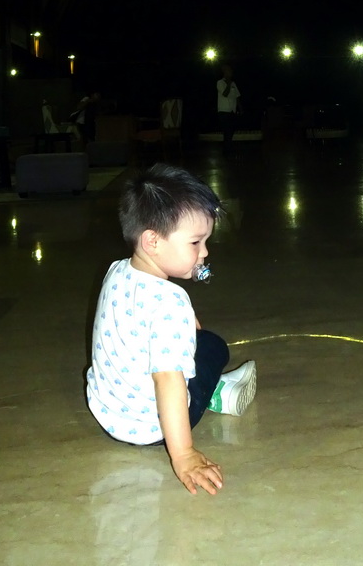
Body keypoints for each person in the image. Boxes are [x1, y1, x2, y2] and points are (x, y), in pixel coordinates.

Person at [85, 163, 257, 496]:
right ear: (153, 242)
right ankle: (218, 393)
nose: (204, 252)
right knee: (213, 347)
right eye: (195, 242)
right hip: (152, 428)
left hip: (109, 413)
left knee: (194, 340)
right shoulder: (170, 302)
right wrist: (184, 455)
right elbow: (167, 379)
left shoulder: (117, 270)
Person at [216, 64, 241, 156]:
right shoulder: (220, 83)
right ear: (224, 72)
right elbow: (225, 93)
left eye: (230, 71)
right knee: (227, 131)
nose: (230, 73)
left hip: (232, 111)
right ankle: (227, 150)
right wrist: (229, 83)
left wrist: (240, 109)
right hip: (223, 111)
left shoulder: (233, 83)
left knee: (231, 131)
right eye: (228, 71)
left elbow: (237, 96)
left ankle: (228, 148)